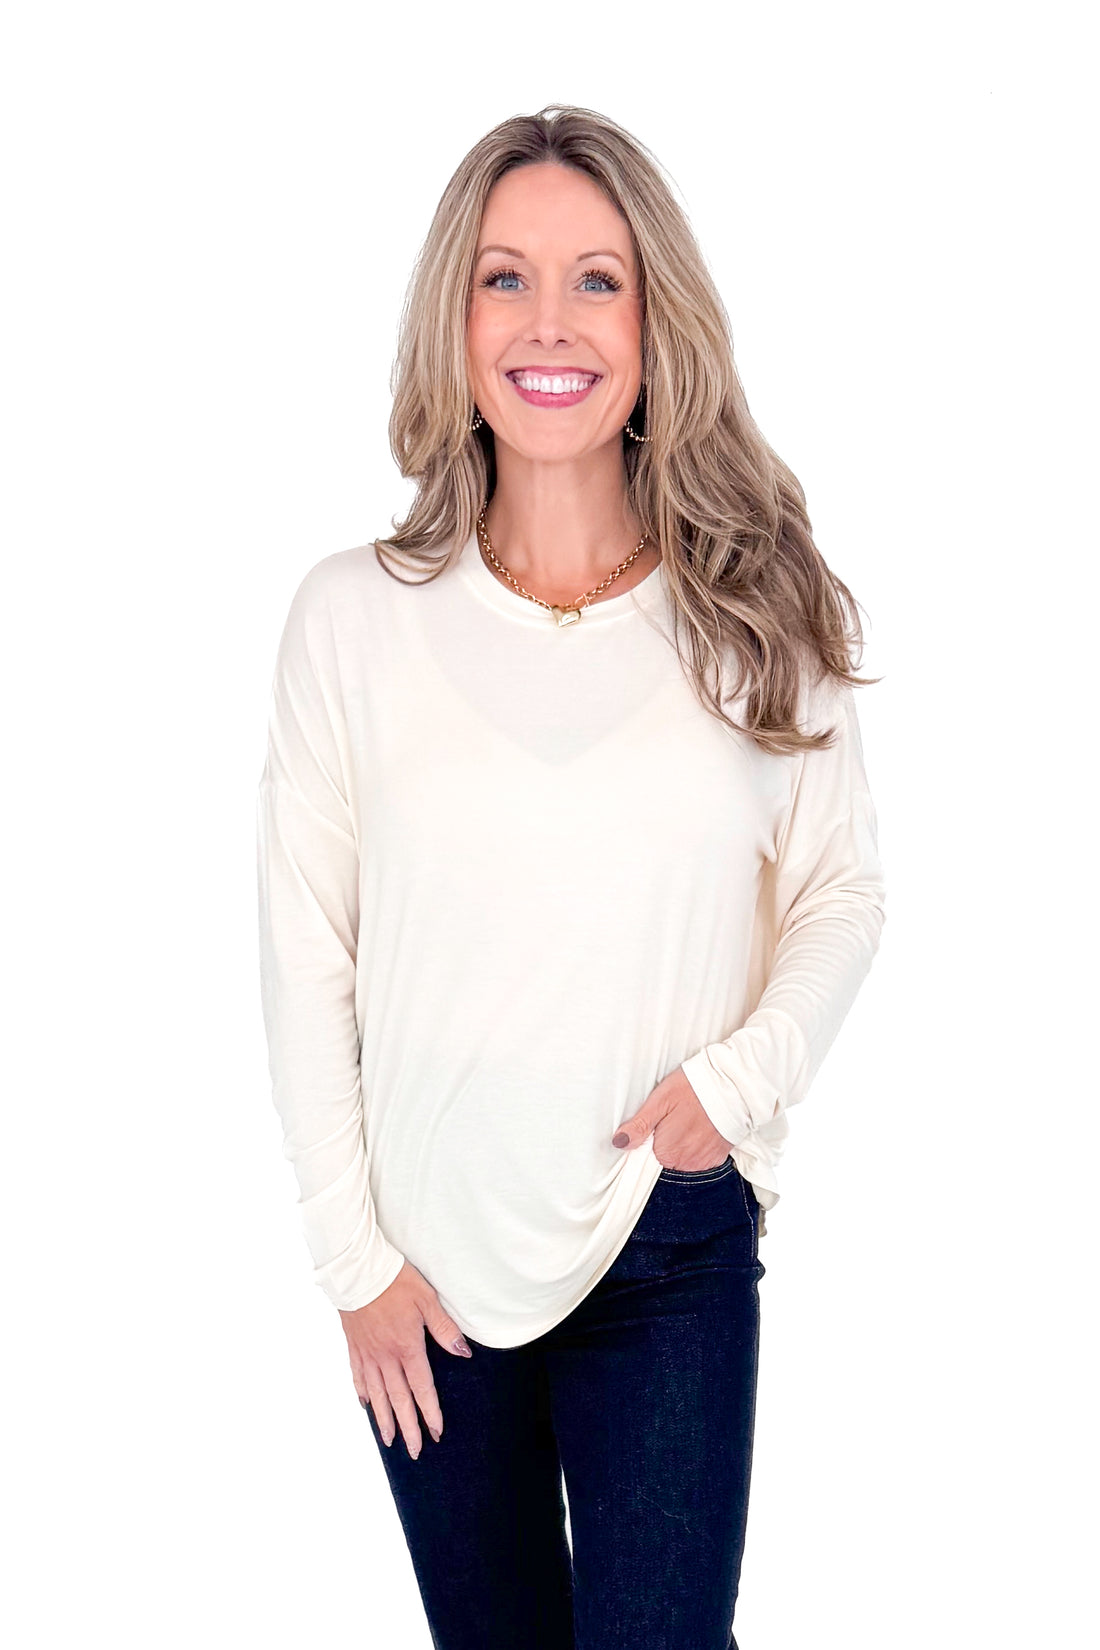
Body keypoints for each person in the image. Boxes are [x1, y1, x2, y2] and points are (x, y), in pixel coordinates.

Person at [256, 103, 887, 1650]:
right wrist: (355, 1264)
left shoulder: (753, 611)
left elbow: (841, 893)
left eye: (597, 280)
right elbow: (302, 952)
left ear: (655, 320)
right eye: (504, 278)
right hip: (431, 1278)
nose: (551, 324)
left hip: (665, 1239)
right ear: (452, 321)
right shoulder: (352, 620)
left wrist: (738, 1084)